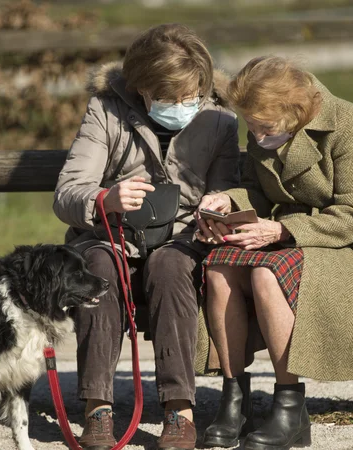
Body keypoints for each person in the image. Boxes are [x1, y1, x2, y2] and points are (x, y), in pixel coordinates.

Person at [194, 56, 353, 450]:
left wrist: (280, 229)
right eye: (250, 128)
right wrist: (226, 200)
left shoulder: (348, 123)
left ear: (294, 111)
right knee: (219, 266)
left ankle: (290, 409)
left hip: (349, 243)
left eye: (264, 128)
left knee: (265, 272)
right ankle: (233, 399)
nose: (256, 137)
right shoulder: (265, 125)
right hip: (286, 238)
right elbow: (255, 191)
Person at [53, 24, 240, 450]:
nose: (183, 106)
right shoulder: (105, 110)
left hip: (184, 239)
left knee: (170, 264)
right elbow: (67, 192)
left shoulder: (220, 120)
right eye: (171, 98)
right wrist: (107, 197)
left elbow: (230, 186)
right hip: (110, 235)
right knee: (98, 266)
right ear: (141, 88)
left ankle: (179, 410)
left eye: (191, 96)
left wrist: (221, 204)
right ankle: (97, 408)